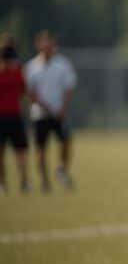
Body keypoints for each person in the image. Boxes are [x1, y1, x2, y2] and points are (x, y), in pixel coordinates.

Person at [25, 31, 76, 192]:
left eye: (49, 43)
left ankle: (61, 169)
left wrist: (63, 109)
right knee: (41, 149)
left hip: (58, 114)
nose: (47, 47)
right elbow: (30, 92)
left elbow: (69, 88)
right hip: (40, 115)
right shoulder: (32, 67)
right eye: (43, 43)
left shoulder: (63, 65)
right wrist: (43, 105)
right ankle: (45, 182)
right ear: (38, 45)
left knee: (66, 142)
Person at [0, 35, 30, 194]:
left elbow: (24, 91)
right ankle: (3, 183)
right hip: (0, 118)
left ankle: (24, 181)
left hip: (15, 116)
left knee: (21, 150)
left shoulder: (18, 72)